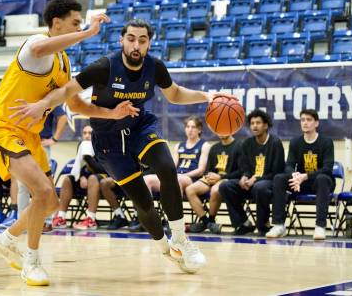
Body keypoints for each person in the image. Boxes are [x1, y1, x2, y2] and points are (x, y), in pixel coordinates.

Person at [12, 18, 237, 275]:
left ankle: (180, 239)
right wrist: (43, 104)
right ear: (122, 40)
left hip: (140, 127)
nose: (136, 45)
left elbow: (173, 93)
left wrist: (207, 96)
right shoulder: (104, 67)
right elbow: (68, 90)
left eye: (142, 40)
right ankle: (166, 249)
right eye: (131, 39)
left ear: (149, 43)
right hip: (107, 140)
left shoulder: (154, 67)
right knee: (143, 203)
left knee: (165, 166)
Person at [0, 0, 133, 286]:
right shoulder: (35, 45)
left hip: (29, 135)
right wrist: (88, 33)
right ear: (56, 23)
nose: (80, 27)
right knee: (40, 191)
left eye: (81, 25)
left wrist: (112, 113)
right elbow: (40, 47)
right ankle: (32, 261)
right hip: (1, 126)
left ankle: (6, 239)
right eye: (75, 23)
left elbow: (76, 105)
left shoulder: (63, 62)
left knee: (50, 202)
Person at [266, 109, 335, 240]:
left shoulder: (326, 142)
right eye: (302, 120)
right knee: (279, 178)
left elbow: (327, 168)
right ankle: (279, 225)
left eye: (309, 120)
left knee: (322, 178)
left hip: (320, 182)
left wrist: (305, 176)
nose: (305, 123)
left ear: (316, 123)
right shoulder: (295, 142)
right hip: (300, 182)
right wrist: (295, 176)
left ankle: (320, 227)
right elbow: (289, 165)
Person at [219, 109, 285, 236]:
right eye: (252, 123)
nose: (255, 126)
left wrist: (255, 179)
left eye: (258, 123)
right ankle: (243, 223)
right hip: (250, 182)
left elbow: (277, 172)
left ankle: (263, 225)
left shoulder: (275, 143)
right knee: (225, 186)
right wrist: (244, 177)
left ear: (266, 125)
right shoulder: (247, 144)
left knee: (260, 187)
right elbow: (245, 168)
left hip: (269, 182)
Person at [186, 134, 242, 234]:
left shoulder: (239, 146)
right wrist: (210, 176)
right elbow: (208, 170)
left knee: (216, 189)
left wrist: (221, 177)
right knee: (190, 189)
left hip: (228, 179)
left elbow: (241, 171)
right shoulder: (214, 148)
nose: (221, 132)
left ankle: (211, 219)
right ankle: (207, 222)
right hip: (213, 179)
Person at [144, 116, 210, 194]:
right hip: (177, 176)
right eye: (187, 127)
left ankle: (175, 206)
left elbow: (200, 170)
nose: (190, 130)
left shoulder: (204, 145)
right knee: (146, 179)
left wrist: (183, 175)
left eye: (193, 127)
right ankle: (149, 206)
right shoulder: (178, 146)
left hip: (192, 179)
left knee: (177, 181)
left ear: (199, 130)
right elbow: (173, 167)